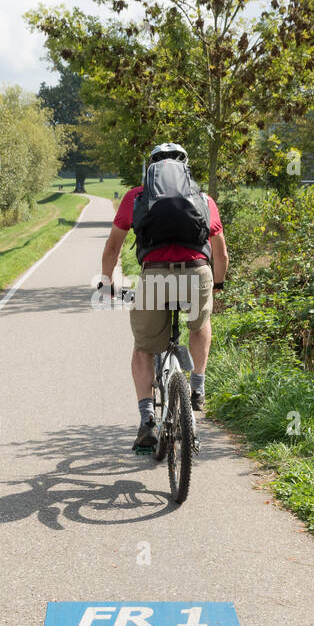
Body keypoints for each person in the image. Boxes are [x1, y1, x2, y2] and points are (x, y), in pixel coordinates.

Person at [99, 143, 228, 451]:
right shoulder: (203, 198)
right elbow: (221, 252)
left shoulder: (136, 196)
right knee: (199, 324)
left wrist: (108, 285)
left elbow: (112, 249)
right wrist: (218, 285)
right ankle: (197, 384)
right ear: (186, 168)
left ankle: (146, 422)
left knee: (143, 349)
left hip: (155, 277)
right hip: (197, 272)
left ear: (151, 168)